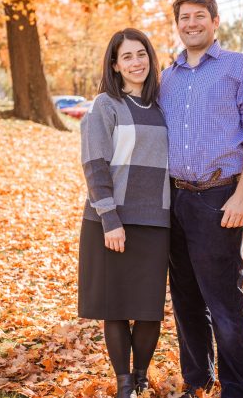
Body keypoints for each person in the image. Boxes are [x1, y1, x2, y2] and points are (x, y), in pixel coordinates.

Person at [158, 0, 243, 397]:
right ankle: (197, 380)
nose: (191, 24)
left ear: (215, 22)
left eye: (199, 17)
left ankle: (239, 388)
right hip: (173, 200)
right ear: (177, 24)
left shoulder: (240, 67)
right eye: (184, 17)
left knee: (223, 300)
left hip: (219, 196)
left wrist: (242, 195)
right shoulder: (166, 76)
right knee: (185, 297)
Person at [78, 28, 170, 398]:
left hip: (156, 221)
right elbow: (95, 165)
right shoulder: (106, 105)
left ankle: (141, 374)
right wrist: (110, 220)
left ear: (150, 57)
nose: (136, 62)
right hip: (110, 221)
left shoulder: (164, 106)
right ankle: (124, 384)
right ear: (115, 66)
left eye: (141, 54)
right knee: (115, 306)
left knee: (149, 309)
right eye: (127, 57)